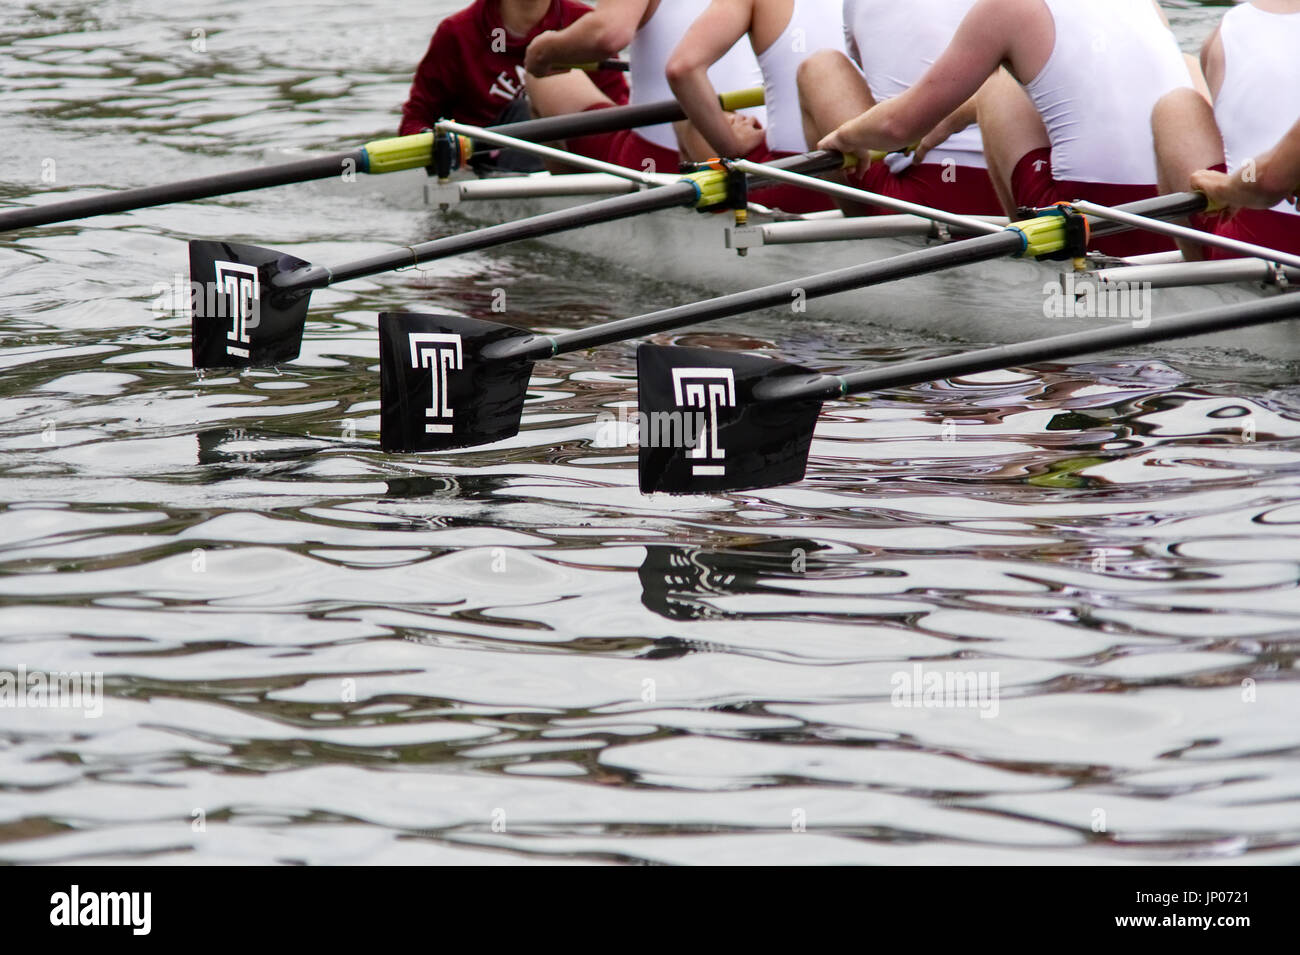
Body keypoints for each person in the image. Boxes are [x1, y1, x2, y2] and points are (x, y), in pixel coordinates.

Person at [818, 0, 1198, 256]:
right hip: (1176, 214)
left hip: (1077, 218)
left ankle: (1024, 258)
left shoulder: (1005, 7)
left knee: (997, 82)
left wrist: (842, 137)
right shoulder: (1144, 5)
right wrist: (946, 123)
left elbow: (895, 125)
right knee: (1187, 65)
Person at [796, 0, 1001, 218]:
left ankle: (866, 227)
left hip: (917, 195)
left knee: (819, 67)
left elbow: (890, 118)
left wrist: (847, 135)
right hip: (1015, 183)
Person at [524, 0, 765, 175]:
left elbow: (608, 34)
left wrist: (543, 51)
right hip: (760, 147)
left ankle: (576, 208)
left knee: (543, 80)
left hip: (658, 162)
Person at [664, 0, 845, 213]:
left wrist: (733, 153)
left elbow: (682, 69)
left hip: (788, 180)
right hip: (866, 169)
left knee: (685, 120)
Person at [1155, 1, 1300, 260]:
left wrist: (1226, 187)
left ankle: (1203, 283)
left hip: (1269, 250)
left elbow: (1266, 179)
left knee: (1174, 105)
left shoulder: (1230, 29)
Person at [399, 0, 628, 138]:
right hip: (486, 165)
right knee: (522, 110)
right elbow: (415, 120)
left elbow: (620, 116)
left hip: (570, 159)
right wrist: (439, 146)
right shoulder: (456, 34)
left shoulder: (588, 28)